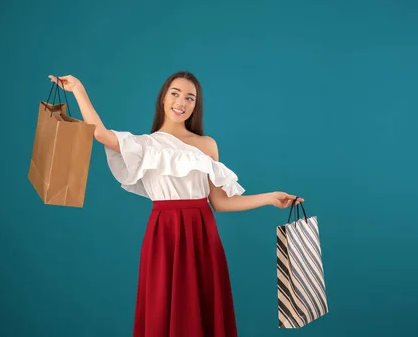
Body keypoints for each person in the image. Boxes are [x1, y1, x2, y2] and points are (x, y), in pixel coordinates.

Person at [48, 71, 304, 337]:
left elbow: (220, 202)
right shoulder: (145, 146)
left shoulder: (207, 145)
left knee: (203, 309)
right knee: (162, 309)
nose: (181, 102)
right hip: (164, 236)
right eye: (175, 93)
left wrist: (270, 198)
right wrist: (78, 88)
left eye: (190, 98)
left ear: (195, 106)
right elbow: (99, 133)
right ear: (163, 98)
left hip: (202, 236)